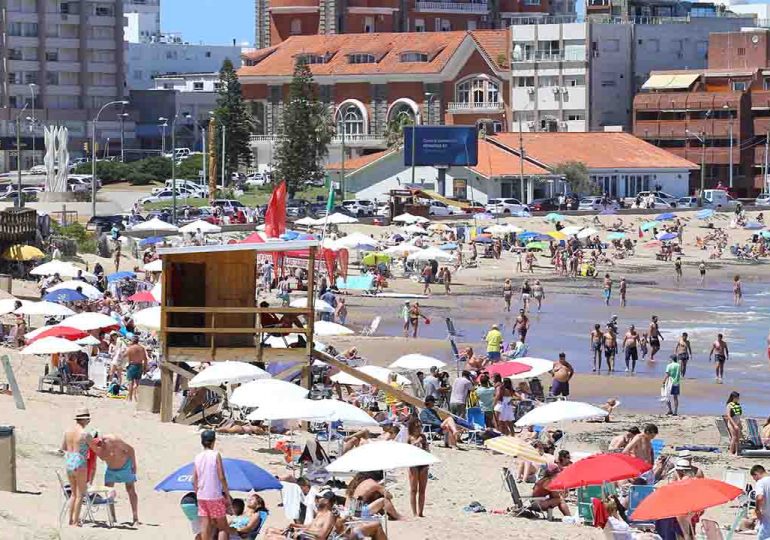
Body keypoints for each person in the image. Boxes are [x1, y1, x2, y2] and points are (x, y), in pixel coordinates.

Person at [90, 434, 139, 524]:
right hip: (111, 469)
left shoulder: (113, 440)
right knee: (108, 492)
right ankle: (112, 517)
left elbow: (130, 449)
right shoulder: (93, 446)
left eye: (100, 443)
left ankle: (135, 518)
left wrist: (134, 464)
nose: (99, 446)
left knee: (130, 489)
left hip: (126, 466)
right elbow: (93, 464)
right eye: (96, 445)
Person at [193, 430, 231, 540]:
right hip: (214, 495)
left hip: (201, 495)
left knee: (205, 524)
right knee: (223, 527)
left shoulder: (198, 457)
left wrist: (197, 493)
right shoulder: (215, 455)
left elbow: (194, 479)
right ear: (213, 441)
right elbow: (221, 477)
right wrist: (227, 494)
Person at [61, 408, 94, 526]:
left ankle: (70, 519)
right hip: (80, 462)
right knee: (80, 494)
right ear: (85, 420)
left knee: (73, 494)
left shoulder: (67, 432)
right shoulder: (85, 434)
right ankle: (75, 521)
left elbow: (64, 447)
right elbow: (95, 448)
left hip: (69, 461)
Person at [407, 417, 429, 517]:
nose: (419, 428)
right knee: (413, 489)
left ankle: (420, 512)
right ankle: (414, 513)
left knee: (422, 490)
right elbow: (408, 450)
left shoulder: (423, 437)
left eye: (420, 426)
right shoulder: (409, 438)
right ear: (412, 427)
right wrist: (417, 442)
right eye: (417, 426)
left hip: (423, 464)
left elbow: (427, 450)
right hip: (413, 464)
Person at [123, 335, 148, 402]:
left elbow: (124, 355)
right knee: (138, 383)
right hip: (139, 365)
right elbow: (145, 359)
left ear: (132, 340)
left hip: (132, 365)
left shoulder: (130, 348)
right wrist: (145, 368)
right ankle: (137, 398)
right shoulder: (142, 348)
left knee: (130, 382)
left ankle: (130, 399)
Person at [750, 464, 770, 539]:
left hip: (767, 520)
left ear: (756, 474)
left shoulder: (761, 482)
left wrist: (757, 510)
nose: (755, 480)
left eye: (755, 478)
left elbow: (760, 498)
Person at [725, 391, 743, 456]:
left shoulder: (737, 404)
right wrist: (734, 425)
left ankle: (737, 452)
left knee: (738, 438)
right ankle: (731, 452)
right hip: (731, 423)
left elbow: (738, 416)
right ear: (733, 397)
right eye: (737, 397)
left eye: (738, 397)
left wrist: (739, 423)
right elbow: (728, 416)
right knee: (734, 437)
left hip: (737, 423)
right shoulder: (729, 405)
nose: (738, 398)